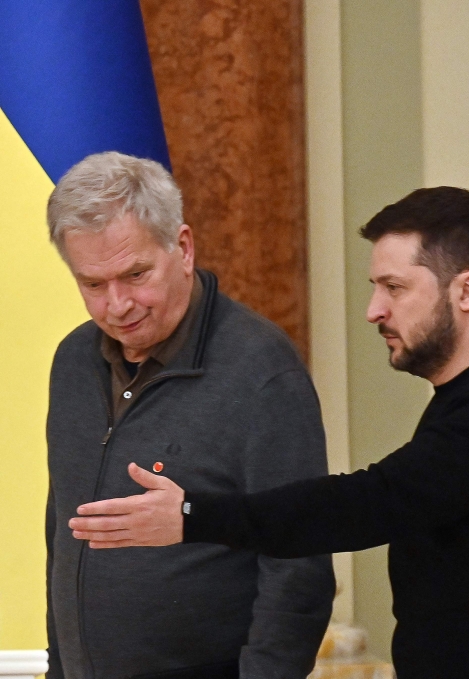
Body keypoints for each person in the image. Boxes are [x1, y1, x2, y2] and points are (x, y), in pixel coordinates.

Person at [68, 187, 469, 679]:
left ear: (468, 290)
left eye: (395, 288)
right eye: (376, 287)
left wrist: (192, 517)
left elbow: (370, 502)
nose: (375, 310)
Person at [44, 152, 334, 679]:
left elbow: (298, 566)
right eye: (92, 284)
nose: (117, 305)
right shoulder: (71, 363)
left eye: (135, 274)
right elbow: (62, 540)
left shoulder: (262, 370)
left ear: (182, 248)